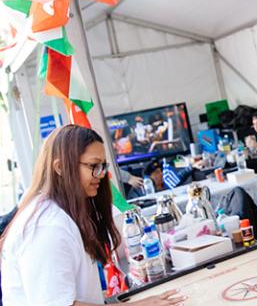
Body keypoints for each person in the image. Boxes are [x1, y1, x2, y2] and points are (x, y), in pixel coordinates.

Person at [0, 124, 185, 305]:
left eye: (103, 167)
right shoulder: (46, 227)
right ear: (60, 167)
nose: (101, 175)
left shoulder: (59, 213)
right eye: (93, 166)